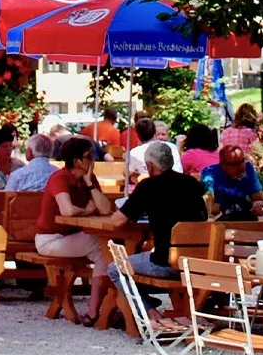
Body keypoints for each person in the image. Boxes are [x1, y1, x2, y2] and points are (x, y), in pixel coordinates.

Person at [107, 142, 208, 317]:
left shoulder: (148, 186)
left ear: (150, 166)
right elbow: (204, 216)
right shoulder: (191, 183)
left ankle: (148, 311)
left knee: (115, 268)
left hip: (166, 262)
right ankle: (152, 303)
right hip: (195, 261)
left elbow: (117, 222)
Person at [34, 135, 114, 326]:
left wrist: (90, 184)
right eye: (89, 156)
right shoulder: (59, 178)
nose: (93, 160)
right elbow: (67, 210)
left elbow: (104, 209)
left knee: (105, 248)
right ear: (77, 161)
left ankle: (98, 309)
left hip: (73, 237)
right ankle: (98, 309)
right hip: (50, 240)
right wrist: (87, 210)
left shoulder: (88, 178)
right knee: (102, 247)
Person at [201, 145, 263, 221]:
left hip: (243, 221)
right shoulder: (209, 173)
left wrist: (260, 208)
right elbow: (210, 207)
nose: (241, 167)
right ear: (223, 165)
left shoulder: (248, 169)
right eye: (235, 164)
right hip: (219, 223)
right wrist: (230, 207)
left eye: (242, 161)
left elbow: (262, 202)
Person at [126, 118, 183, 188]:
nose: (161, 137)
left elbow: (127, 173)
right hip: (175, 186)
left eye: (163, 134)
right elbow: (179, 171)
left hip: (149, 189)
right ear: (154, 133)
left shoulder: (135, 152)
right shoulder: (173, 147)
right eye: (158, 134)